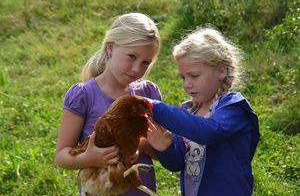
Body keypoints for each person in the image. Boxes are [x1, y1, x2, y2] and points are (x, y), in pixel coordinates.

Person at [55, 12, 162, 195]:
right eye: (131, 56)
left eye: (145, 62)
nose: (137, 69)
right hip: (100, 189)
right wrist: (88, 158)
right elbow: (62, 156)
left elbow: (160, 151)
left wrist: (140, 144)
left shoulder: (148, 95)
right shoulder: (83, 95)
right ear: (110, 48)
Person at [146, 27, 260, 196]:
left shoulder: (234, 107)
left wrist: (155, 107)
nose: (187, 84)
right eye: (183, 77)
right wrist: (165, 147)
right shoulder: (190, 112)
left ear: (221, 71)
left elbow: (208, 131)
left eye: (194, 76)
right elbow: (177, 163)